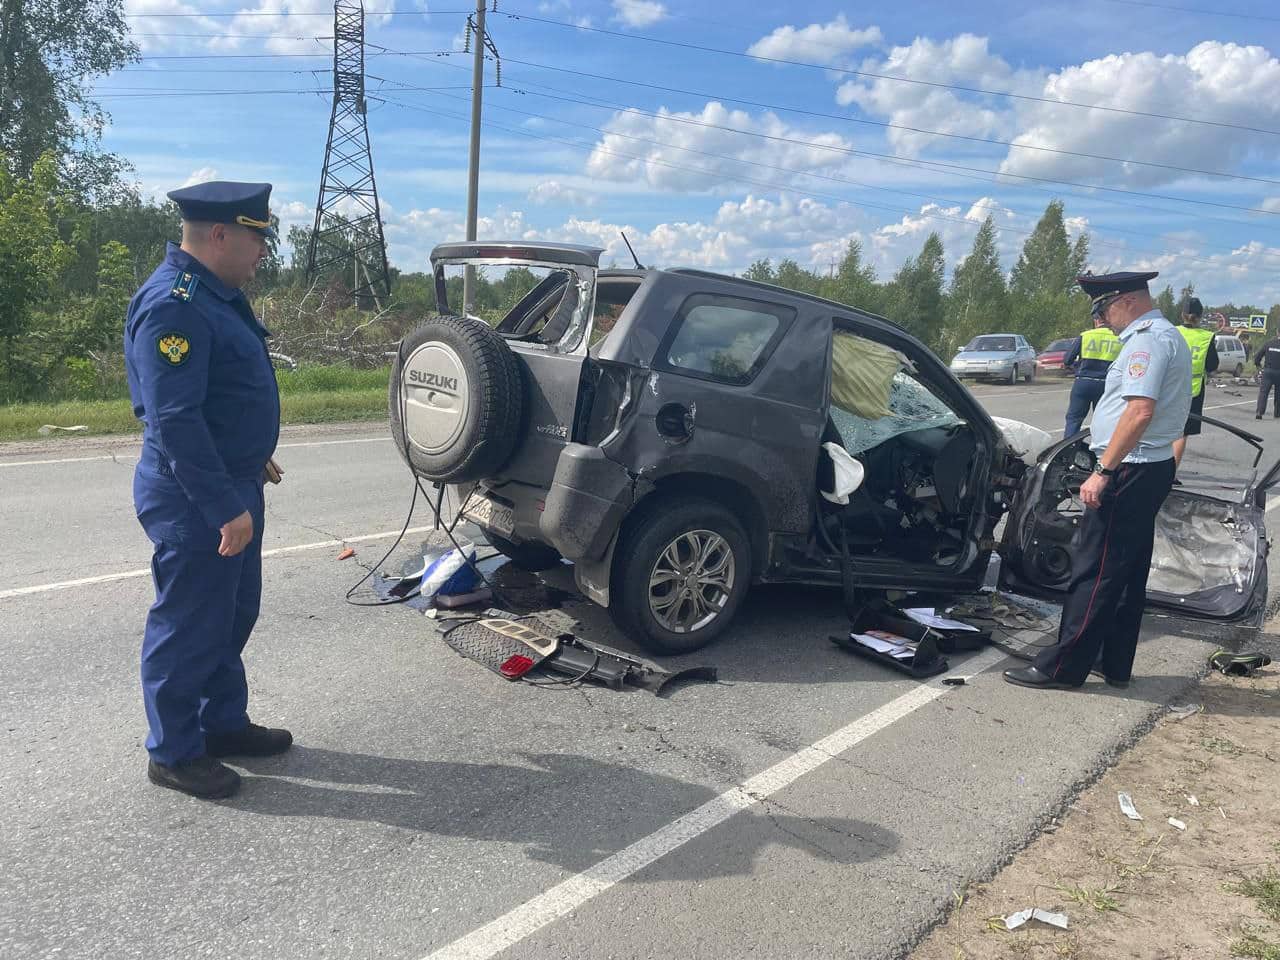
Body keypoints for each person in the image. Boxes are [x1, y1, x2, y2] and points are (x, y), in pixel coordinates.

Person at [125, 180, 290, 799]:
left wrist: (253, 454)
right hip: (196, 498)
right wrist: (225, 505)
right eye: (257, 238)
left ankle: (220, 725)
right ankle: (173, 751)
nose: (262, 253)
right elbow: (175, 421)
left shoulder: (216, 296)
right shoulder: (177, 303)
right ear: (219, 234)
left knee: (232, 613)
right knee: (191, 621)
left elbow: (218, 396)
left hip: (233, 479)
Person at [1004, 270, 1191, 692]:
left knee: (1095, 569)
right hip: (1149, 467)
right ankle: (1113, 662)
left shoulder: (1146, 341)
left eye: (1104, 309)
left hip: (1128, 468)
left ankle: (1063, 668)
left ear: (1126, 300)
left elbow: (1140, 411)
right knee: (1126, 571)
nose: (1104, 320)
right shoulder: (1168, 336)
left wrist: (1103, 470)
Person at [1171, 296, 1217, 472]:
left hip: (1167, 387)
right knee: (1181, 433)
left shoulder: (1172, 331)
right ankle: (1170, 474)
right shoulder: (1206, 337)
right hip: (1193, 391)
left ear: (1182, 314)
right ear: (1200, 316)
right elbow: (1212, 365)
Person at [1062, 315, 1121, 437]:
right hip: (1107, 384)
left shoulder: (1086, 335)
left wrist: (1076, 367)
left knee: (1074, 419)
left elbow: (1067, 359)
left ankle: (1068, 453)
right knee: (1103, 420)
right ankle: (1101, 451)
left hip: (1083, 381)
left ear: (1096, 321)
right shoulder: (1119, 338)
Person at [1254, 331, 1280, 419]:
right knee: (1279, 393)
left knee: (1263, 392)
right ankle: (1277, 413)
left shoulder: (1269, 343)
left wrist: (1258, 366)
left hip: (1267, 371)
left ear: (1277, 333)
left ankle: (1259, 412)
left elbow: (1258, 356)